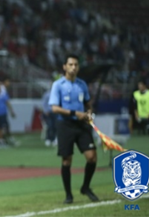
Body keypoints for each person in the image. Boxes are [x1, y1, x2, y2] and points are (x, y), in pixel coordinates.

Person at [49, 54, 99, 204]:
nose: (73, 67)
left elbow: (88, 103)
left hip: (81, 125)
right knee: (67, 160)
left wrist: (89, 112)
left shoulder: (82, 84)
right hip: (65, 124)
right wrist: (74, 113)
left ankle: (85, 187)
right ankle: (68, 195)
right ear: (64, 67)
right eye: (70, 64)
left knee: (92, 157)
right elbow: (55, 108)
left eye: (76, 65)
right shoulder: (58, 85)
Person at [132, 80, 149, 151]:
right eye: (138, 85)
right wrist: (136, 114)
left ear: (145, 85)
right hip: (140, 116)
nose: (139, 87)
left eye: (141, 85)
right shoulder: (136, 94)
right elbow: (135, 106)